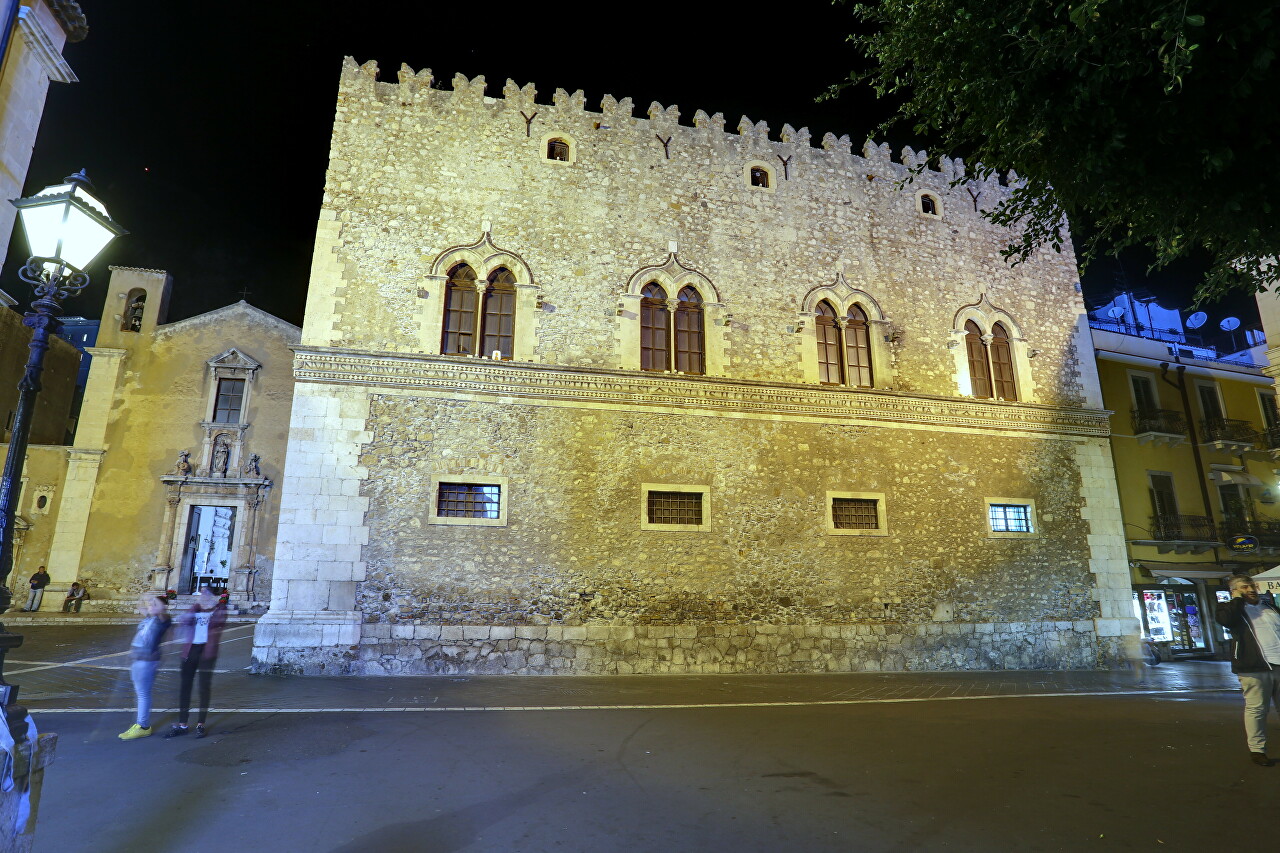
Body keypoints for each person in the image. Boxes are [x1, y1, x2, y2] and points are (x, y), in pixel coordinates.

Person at [1215, 574, 1280, 766]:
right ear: (1234, 591)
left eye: (1252, 586)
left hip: (1279, 664)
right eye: (1244, 587)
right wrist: (1236, 599)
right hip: (1253, 667)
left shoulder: (1269, 607)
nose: (1251, 590)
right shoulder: (1230, 609)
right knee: (1257, 709)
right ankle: (1257, 750)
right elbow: (1225, 620)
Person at [165, 588, 227, 739]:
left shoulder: (220, 611)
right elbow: (184, 620)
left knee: (203, 688)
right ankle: (182, 724)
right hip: (190, 651)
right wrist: (196, 606)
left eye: (208, 595)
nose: (204, 598)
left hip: (207, 653)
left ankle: (201, 724)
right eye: (202, 595)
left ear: (214, 597)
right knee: (185, 687)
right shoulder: (195, 609)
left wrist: (212, 607)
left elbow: (218, 622)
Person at [119, 595, 172, 741]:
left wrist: (158, 604)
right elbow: (140, 606)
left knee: (143, 694)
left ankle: (143, 726)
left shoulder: (163, 620)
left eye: (155, 604)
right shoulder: (149, 618)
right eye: (151, 604)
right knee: (140, 693)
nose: (151, 605)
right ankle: (140, 724)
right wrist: (145, 597)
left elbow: (167, 641)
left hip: (147, 661)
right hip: (137, 659)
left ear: (163, 607)